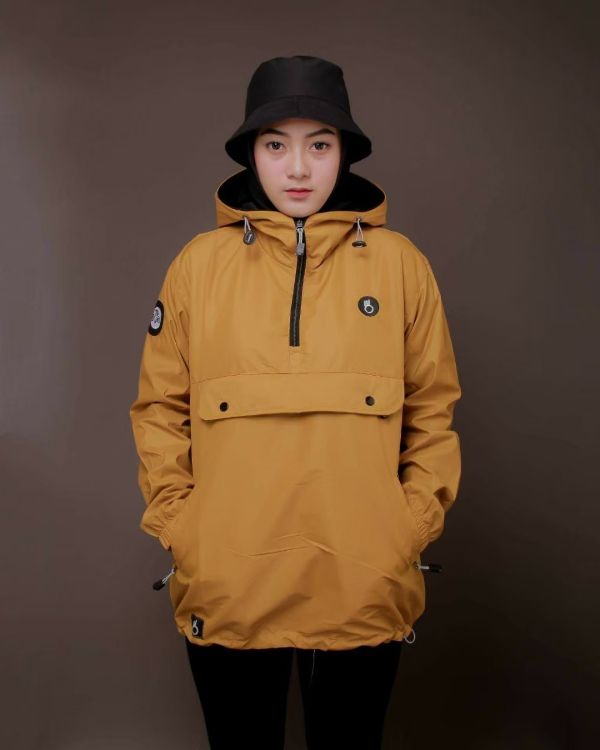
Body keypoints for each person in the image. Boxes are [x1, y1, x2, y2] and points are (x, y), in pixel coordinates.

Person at [129, 55, 462, 749]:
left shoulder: (402, 266)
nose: (300, 168)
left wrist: (408, 526)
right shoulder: (196, 267)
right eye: (277, 145)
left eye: (321, 144)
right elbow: (159, 409)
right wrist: (183, 528)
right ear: (251, 154)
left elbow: (433, 410)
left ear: (346, 153)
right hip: (229, 574)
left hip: (363, 574)